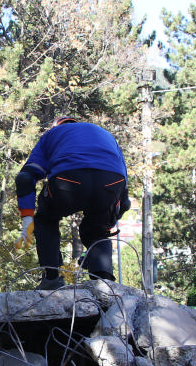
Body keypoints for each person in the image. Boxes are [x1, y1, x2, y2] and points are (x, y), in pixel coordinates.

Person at [15, 117, 129, 290]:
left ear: (56, 127)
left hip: (68, 180)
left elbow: (25, 178)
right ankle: (104, 283)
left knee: (45, 220)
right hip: (111, 182)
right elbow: (125, 201)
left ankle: (52, 279)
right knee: (97, 231)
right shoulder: (105, 135)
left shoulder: (52, 134)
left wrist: (27, 219)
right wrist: (107, 224)